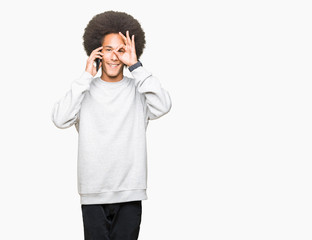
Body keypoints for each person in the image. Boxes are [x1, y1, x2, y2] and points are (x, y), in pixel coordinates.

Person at [51, 10, 172, 240]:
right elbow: (59, 119)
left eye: (121, 50)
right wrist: (86, 76)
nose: (114, 57)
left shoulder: (139, 89)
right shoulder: (84, 90)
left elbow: (164, 105)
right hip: (93, 194)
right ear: (97, 52)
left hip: (130, 192)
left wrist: (136, 66)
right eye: (108, 50)